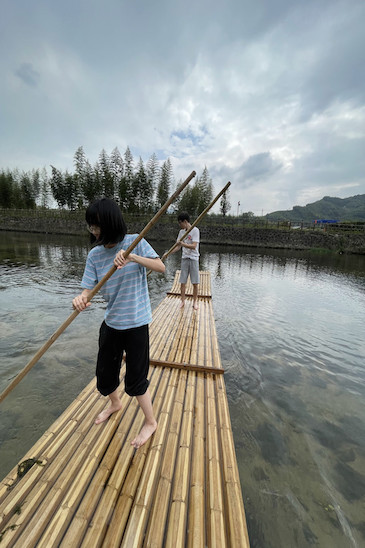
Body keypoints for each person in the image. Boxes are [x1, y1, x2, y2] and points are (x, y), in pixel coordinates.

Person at [72, 198, 165, 449]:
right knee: (104, 376)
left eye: (97, 226)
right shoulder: (94, 256)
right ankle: (115, 403)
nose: (94, 232)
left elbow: (161, 267)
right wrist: (80, 299)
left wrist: (133, 257)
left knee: (136, 380)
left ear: (111, 223)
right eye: (91, 227)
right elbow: (87, 291)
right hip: (112, 323)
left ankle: (150, 421)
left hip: (136, 324)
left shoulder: (135, 241)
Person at [171, 211, 200, 310]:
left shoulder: (195, 231)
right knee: (182, 281)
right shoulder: (181, 232)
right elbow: (178, 246)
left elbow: (194, 246)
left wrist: (183, 244)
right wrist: (169, 253)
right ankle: (182, 301)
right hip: (185, 258)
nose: (180, 225)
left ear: (185, 221)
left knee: (195, 282)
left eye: (180, 223)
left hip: (193, 258)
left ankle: (195, 302)